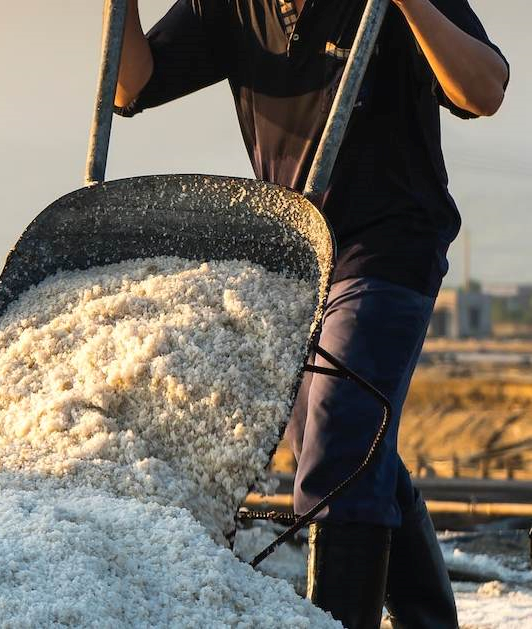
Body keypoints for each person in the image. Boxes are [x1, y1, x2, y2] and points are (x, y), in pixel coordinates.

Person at [113, 1, 509, 627]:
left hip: (389, 242)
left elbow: (485, 90)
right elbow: (130, 83)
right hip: (299, 254)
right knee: (349, 449)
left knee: (342, 428)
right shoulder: (231, 6)